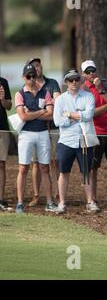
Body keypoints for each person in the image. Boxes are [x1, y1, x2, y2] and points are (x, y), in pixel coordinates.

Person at [53, 69, 100, 214]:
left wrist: (69, 115)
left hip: (84, 140)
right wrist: (77, 117)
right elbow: (57, 121)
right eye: (70, 80)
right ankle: (62, 203)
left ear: (80, 81)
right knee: (63, 172)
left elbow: (89, 115)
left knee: (87, 172)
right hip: (66, 141)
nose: (74, 82)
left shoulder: (88, 96)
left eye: (76, 79)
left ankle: (90, 202)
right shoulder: (60, 99)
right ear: (66, 82)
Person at [81, 60, 107, 208]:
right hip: (94, 132)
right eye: (88, 72)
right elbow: (90, 113)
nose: (91, 73)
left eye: (93, 70)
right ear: (83, 75)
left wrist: (101, 90)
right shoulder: (83, 89)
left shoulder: (106, 83)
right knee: (93, 167)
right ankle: (92, 199)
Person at [15, 64, 55, 213]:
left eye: (33, 76)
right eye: (28, 76)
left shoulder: (45, 92)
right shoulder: (20, 94)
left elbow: (51, 114)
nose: (31, 79)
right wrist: (41, 112)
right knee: (23, 168)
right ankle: (20, 202)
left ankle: (50, 202)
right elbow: (22, 116)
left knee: (45, 167)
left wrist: (32, 113)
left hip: (43, 132)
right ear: (23, 77)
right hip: (26, 134)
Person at [26, 58, 61, 207]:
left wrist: (40, 111)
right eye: (33, 67)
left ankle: (59, 194)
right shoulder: (27, 86)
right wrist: (45, 110)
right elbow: (25, 111)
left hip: (52, 127)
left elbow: (57, 101)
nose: (36, 69)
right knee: (36, 163)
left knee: (55, 161)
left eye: (38, 66)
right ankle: (36, 195)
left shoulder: (52, 83)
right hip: (35, 129)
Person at [0, 76, 12, 211]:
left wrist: (3, 99)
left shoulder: (3, 82)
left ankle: (1, 199)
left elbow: (9, 106)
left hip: (2, 127)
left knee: (1, 164)